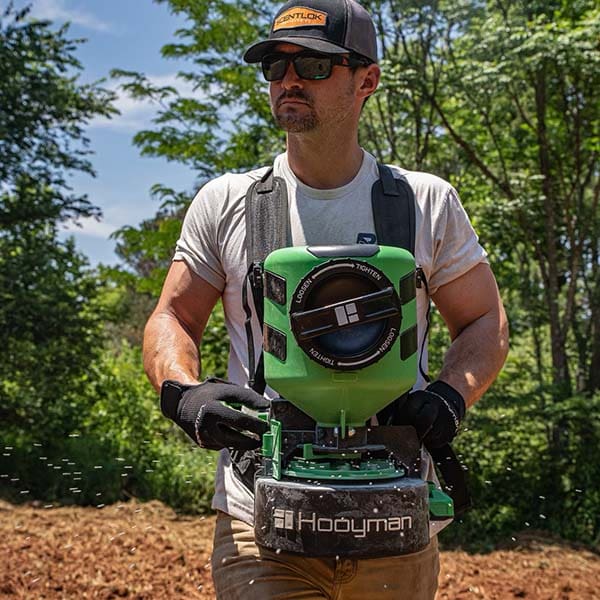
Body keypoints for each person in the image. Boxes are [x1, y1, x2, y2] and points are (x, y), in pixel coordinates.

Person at [143, 0, 509, 598]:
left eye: (313, 66)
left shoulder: (426, 203)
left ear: (367, 80)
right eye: (275, 66)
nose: (288, 80)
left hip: (398, 519)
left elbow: (485, 319)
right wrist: (183, 392)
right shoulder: (226, 201)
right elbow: (173, 315)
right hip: (260, 519)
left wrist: (450, 395)